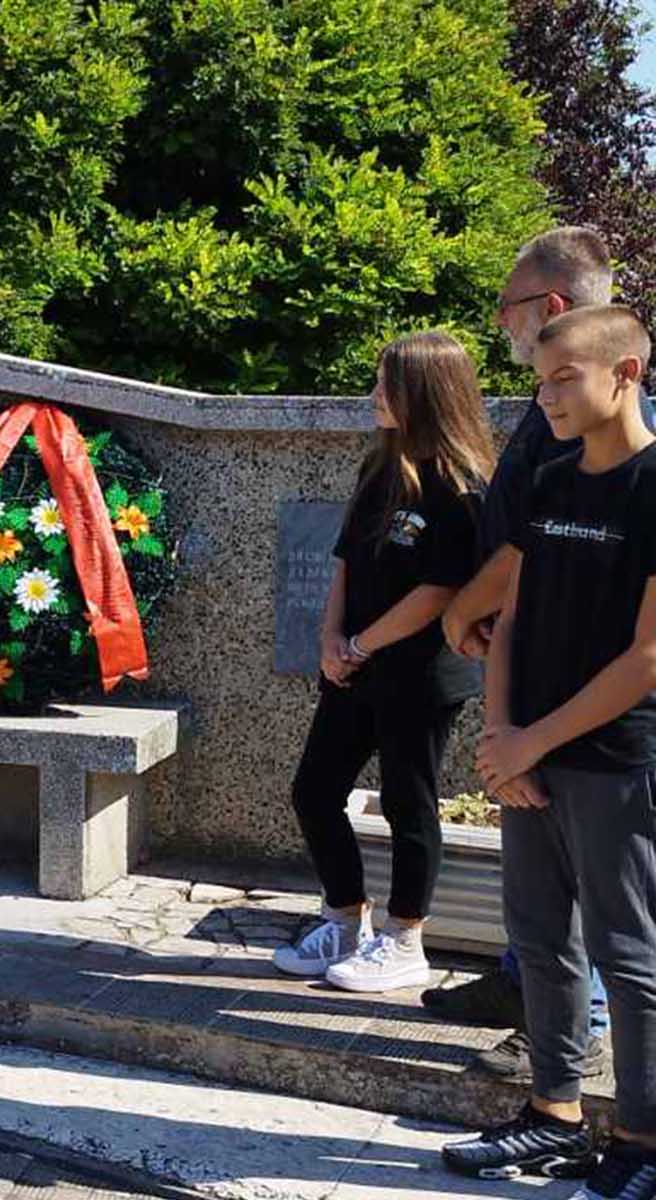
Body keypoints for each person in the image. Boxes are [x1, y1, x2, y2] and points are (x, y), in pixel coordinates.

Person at [443, 306, 656, 1193]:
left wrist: (534, 738)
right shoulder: (553, 479)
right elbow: (512, 617)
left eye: (565, 377)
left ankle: (641, 1144)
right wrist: (503, 741)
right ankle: (553, 1117)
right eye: (540, 382)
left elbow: (648, 657)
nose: (548, 397)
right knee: (539, 938)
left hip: (615, 761)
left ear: (627, 373)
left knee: (629, 955)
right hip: (529, 751)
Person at [426, 228, 631, 1081]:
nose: (499, 325)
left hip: (579, 695)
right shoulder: (560, 402)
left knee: (587, 878)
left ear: (549, 305)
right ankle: (526, 986)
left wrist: (464, 611)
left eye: (507, 307)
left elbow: (543, 549)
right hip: (529, 664)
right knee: (539, 876)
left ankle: (576, 1031)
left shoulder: (597, 419)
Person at [271, 331, 493, 992]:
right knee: (314, 790)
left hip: (419, 675)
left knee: (407, 802)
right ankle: (344, 918)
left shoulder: (460, 486)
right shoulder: (382, 465)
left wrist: (362, 644)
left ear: (424, 393)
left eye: (386, 384)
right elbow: (346, 560)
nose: (374, 395)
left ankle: (404, 939)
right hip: (355, 665)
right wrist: (329, 638)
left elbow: (438, 591)